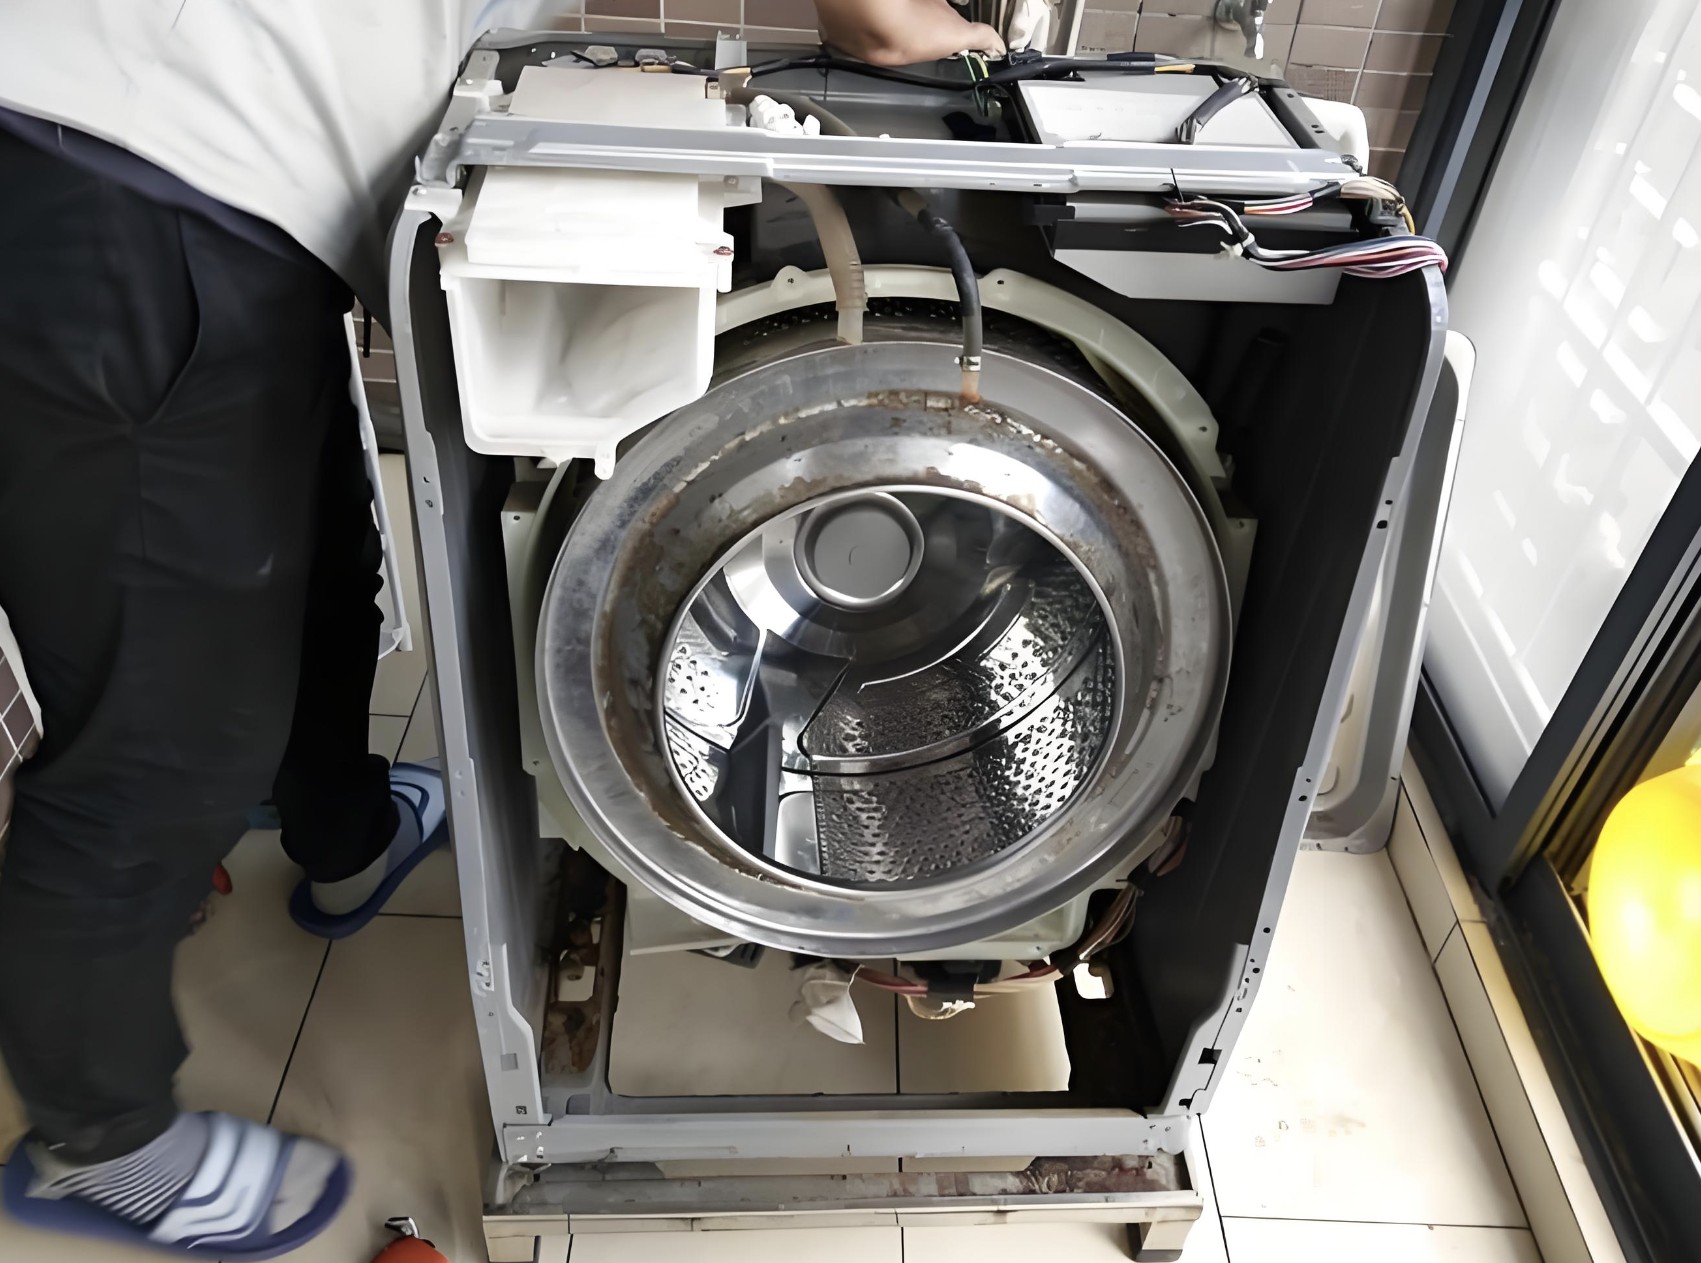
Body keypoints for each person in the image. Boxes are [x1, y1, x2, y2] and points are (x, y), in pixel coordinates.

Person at [0, 0, 1005, 1257]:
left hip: (213, 190)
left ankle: (346, 837)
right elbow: (878, 21)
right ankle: (101, 1144)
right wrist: (927, 28)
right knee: (162, 732)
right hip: (102, 172)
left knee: (316, 568)